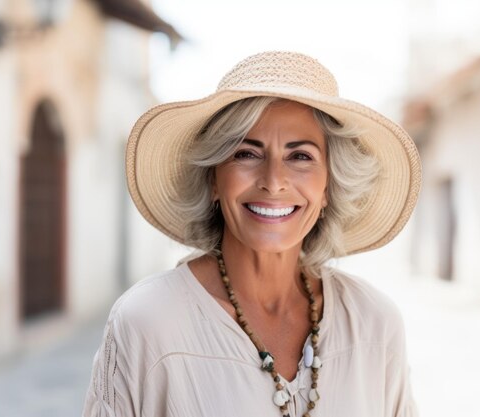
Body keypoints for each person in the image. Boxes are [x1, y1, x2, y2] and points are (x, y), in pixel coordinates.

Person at [83, 51, 420, 417]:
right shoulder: (148, 321)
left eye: (301, 157)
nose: (274, 182)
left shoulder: (374, 324)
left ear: (328, 188)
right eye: (246, 153)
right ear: (214, 179)